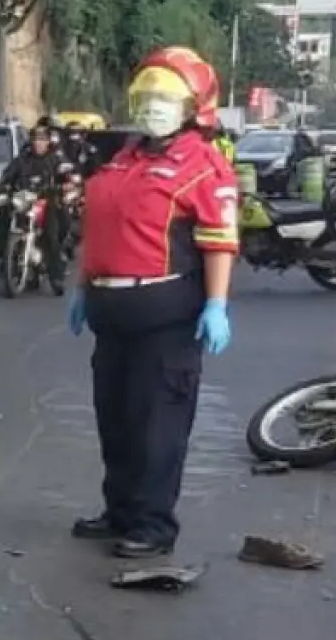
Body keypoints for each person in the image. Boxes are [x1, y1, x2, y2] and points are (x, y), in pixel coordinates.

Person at [65, 45, 238, 559]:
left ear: (194, 106)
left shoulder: (205, 168)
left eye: (166, 96)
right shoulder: (125, 158)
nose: (152, 105)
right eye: (146, 94)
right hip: (109, 312)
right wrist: (81, 289)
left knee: (156, 425)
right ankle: (119, 510)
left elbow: (219, 242)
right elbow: (100, 231)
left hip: (166, 318)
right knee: (114, 418)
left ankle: (152, 524)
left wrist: (216, 304)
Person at [0, 124, 69, 293]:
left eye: (42, 140)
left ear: (48, 142)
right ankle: (7, 258)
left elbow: (66, 176)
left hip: (46, 202)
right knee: (2, 216)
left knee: (51, 235)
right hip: (24, 201)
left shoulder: (55, 159)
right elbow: (7, 174)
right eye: (35, 139)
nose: (38, 143)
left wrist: (63, 185)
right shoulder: (22, 159)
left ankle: (56, 277)